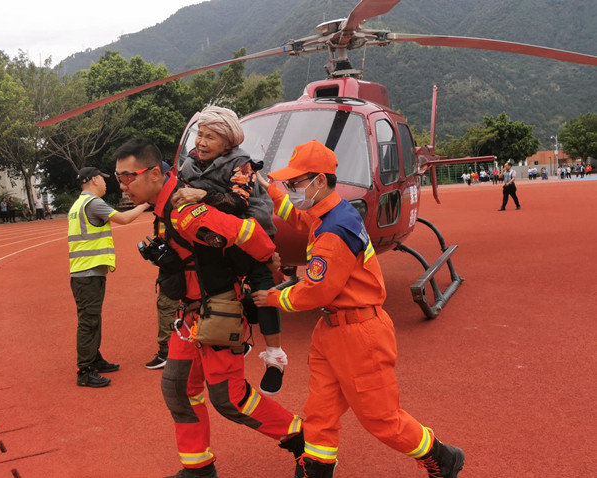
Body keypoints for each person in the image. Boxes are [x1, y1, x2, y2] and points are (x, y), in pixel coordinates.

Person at [251, 139, 465, 478]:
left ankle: (441, 456)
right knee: (320, 411)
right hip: (333, 331)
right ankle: (317, 469)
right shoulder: (334, 211)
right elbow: (299, 215)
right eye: (289, 184)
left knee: (382, 419)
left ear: (319, 181)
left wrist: (273, 298)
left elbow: (317, 291)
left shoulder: (333, 231)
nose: (292, 189)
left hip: (359, 335)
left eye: (295, 183)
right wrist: (271, 189)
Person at [114, 137, 305, 478]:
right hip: (189, 314)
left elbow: (244, 230)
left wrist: (268, 259)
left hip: (218, 309)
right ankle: (198, 467)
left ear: (155, 174)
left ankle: (303, 440)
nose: (123, 185)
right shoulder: (165, 208)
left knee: (229, 399)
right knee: (178, 387)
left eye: (129, 176)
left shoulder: (185, 211)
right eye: (119, 178)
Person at [169, 105, 287, 395]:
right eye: (200, 134)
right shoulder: (189, 164)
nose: (201, 142)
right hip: (215, 234)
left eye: (210, 136)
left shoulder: (242, 163)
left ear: (227, 142)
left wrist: (201, 194)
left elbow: (239, 203)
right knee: (221, 290)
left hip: (248, 230)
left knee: (263, 290)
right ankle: (239, 339)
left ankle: (275, 358)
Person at [68, 166, 150, 388]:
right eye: (103, 180)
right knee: (88, 322)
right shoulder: (92, 203)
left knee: (92, 319)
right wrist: (145, 204)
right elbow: (123, 219)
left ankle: (94, 358)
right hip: (88, 272)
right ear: (94, 180)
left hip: (85, 271)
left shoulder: (78, 204)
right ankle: (85, 370)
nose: (106, 183)